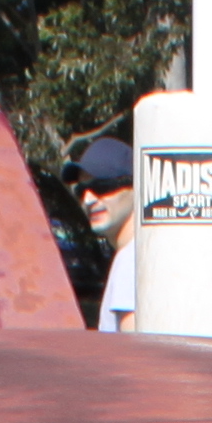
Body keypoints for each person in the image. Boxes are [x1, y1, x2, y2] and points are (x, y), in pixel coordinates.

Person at [75, 135, 141, 332]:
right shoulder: (137, 254)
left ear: (134, 187)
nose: (88, 199)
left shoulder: (130, 259)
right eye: (81, 189)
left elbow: (133, 352)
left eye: (101, 186)